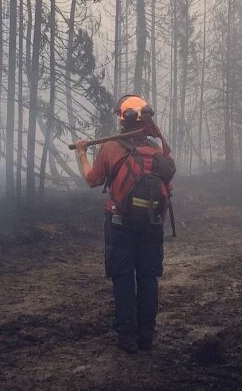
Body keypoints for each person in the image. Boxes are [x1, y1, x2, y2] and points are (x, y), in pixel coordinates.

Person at [75, 95, 175, 354]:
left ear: (122, 120)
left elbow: (92, 180)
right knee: (148, 278)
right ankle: (146, 337)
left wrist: (83, 154)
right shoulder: (158, 149)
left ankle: (127, 339)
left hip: (120, 224)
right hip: (152, 225)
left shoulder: (110, 147)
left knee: (123, 279)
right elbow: (169, 188)